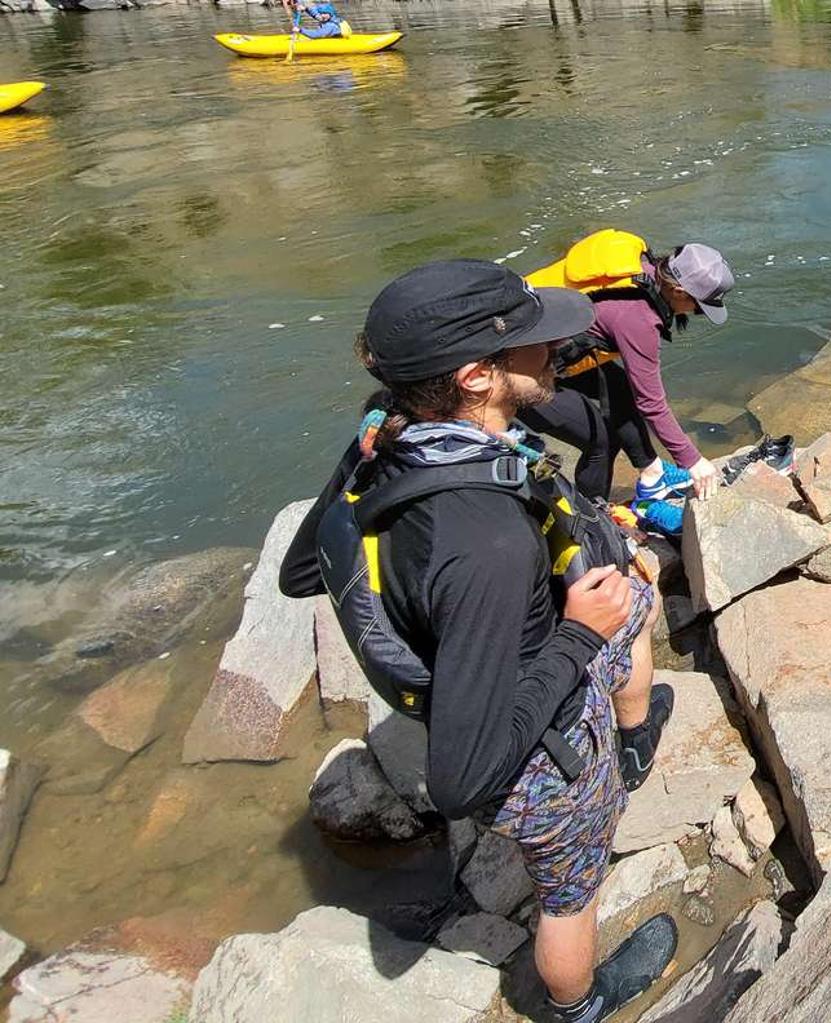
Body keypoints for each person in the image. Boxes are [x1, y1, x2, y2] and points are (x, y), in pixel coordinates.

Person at [278, 260, 678, 1023]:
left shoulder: (387, 429)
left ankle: (634, 737)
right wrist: (573, 635)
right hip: (541, 749)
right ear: (474, 377)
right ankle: (578, 1002)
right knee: (571, 892)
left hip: (484, 654)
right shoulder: (486, 545)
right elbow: (461, 781)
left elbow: (303, 570)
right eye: (533, 344)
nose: (555, 350)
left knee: (637, 600)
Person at [518, 231, 735, 528]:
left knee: (619, 386)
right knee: (600, 443)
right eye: (700, 306)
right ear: (681, 292)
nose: (697, 313)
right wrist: (694, 461)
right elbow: (652, 404)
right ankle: (590, 524)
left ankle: (652, 473)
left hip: (534, 346)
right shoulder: (638, 318)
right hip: (510, 374)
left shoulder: (641, 267)